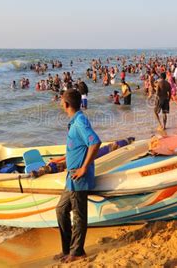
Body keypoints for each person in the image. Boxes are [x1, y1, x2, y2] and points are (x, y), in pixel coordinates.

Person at [54, 89, 101, 263]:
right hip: (70, 177)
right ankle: (67, 249)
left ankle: (77, 251)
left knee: (79, 215)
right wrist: (60, 160)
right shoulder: (75, 122)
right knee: (61, 210)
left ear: (66, 104)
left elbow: (95, 142)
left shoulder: (80, 121)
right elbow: (78, 148)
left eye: (61, 102)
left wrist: (83, 168)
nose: (60, 104)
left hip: (78, 177)